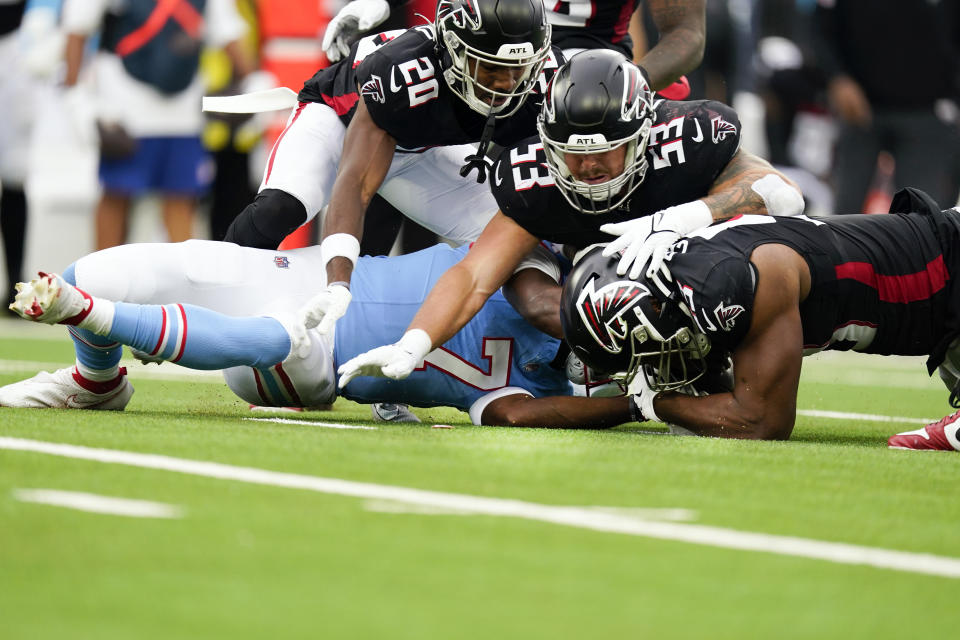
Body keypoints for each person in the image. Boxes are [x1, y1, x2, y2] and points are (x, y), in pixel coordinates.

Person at [336, 49, 803, 388]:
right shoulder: (533, 176)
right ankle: (616, 359)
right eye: (572, 155)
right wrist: (414, 343)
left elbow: (781, 194)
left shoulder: (688, 135)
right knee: (566, 290)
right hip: (593, 268)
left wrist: (682, 220)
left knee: (741, 256)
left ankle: (701, 351)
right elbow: (475, 275)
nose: (587, 168)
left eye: (604, 152)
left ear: (642, 134)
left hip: (698, 265)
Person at [1, 241, 632, 429]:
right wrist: (616, 327)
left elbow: (516, 420)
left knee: (279, 337)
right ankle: (97, 381)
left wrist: (634, 403)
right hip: (301, 273)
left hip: (317, 362)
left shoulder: (528, 390)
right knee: (101, 271)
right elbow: (541, 300)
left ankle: (84, 313)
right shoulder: (535, 264)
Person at [560, 187, 960, 451]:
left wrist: (656, 405)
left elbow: (761, 423)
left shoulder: (726, 280)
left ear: (652, 308)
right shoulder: (696, 275)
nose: (651, 364)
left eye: (642, 351)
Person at [61, 0, 255, 249]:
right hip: (123, 110)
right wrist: (76, 98)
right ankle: (100, 285)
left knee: (181, 202)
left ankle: (183, 283)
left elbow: (228, 31)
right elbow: (78, 27)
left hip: (183, 111)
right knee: (116, 199)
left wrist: (253, 85)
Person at [322, 0, 706, 91]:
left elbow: (686, 34)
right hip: (479, 48)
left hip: (581, 62)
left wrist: (629, 84)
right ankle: (354, 282)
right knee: (383, 89)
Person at [813, 0, 960, 214]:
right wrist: (837, 77)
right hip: (860, 108)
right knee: (845, 216)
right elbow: (820, 29)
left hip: (929, 109)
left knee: (920, 218)